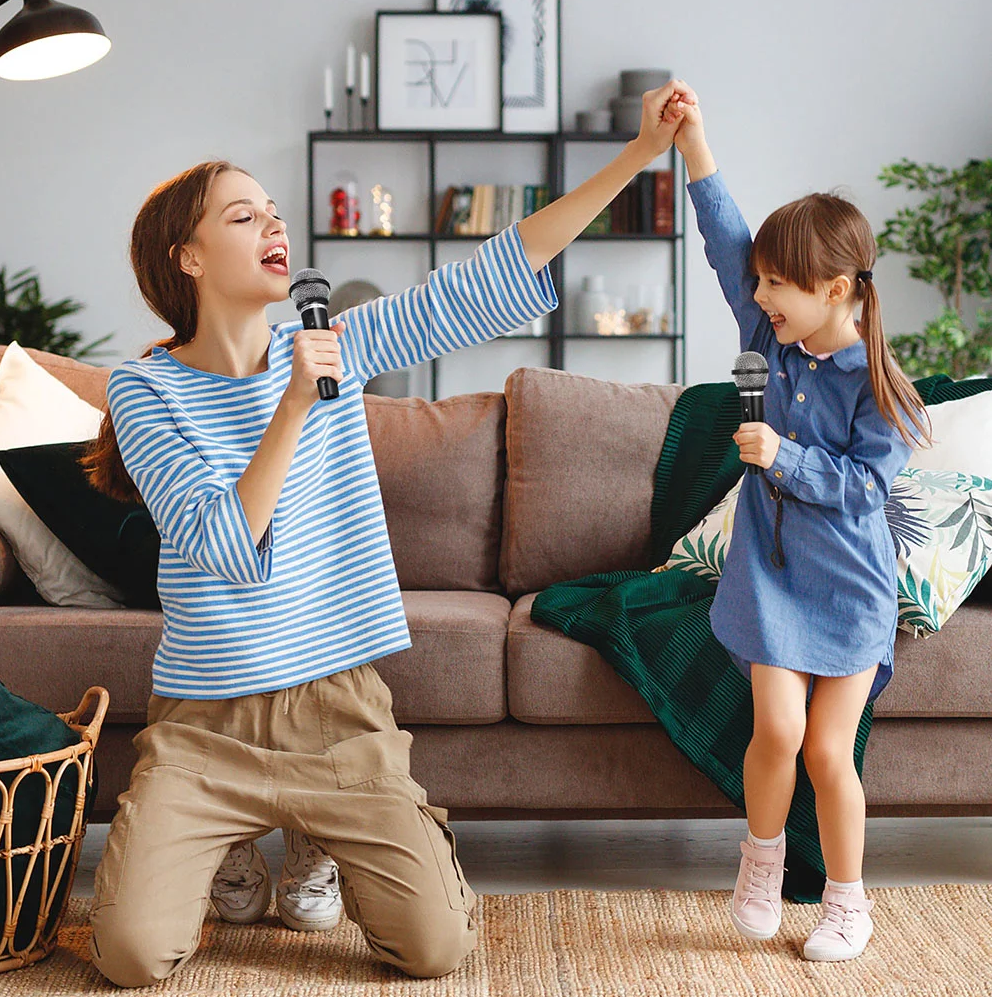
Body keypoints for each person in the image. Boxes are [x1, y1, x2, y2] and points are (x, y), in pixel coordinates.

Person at [79, 78, 697, 987]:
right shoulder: (147, 390)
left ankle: (321, 838)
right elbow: (222, 546)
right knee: (129, 956)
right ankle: (234, 844)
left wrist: (640, 156)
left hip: (337, 711)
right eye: (244, 217)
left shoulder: (342, 344)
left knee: (436, 950)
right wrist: (294, 404)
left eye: (275, 214)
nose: (274, 229)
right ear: (189, 257)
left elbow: (485, 282)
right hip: (206, 722)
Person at [666, 83, 931, 961]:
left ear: (834, 289)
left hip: (852, 589)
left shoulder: (883, 391)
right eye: (764, 283)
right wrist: (694, 140)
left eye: (780, 284)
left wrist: (781, 455)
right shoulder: (771, 336)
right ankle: (761, 862)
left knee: (828, 751)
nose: (763, 292)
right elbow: (724, 239)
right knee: (775, 729)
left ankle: (849, 903)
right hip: (769, 575)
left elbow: (862, 492)